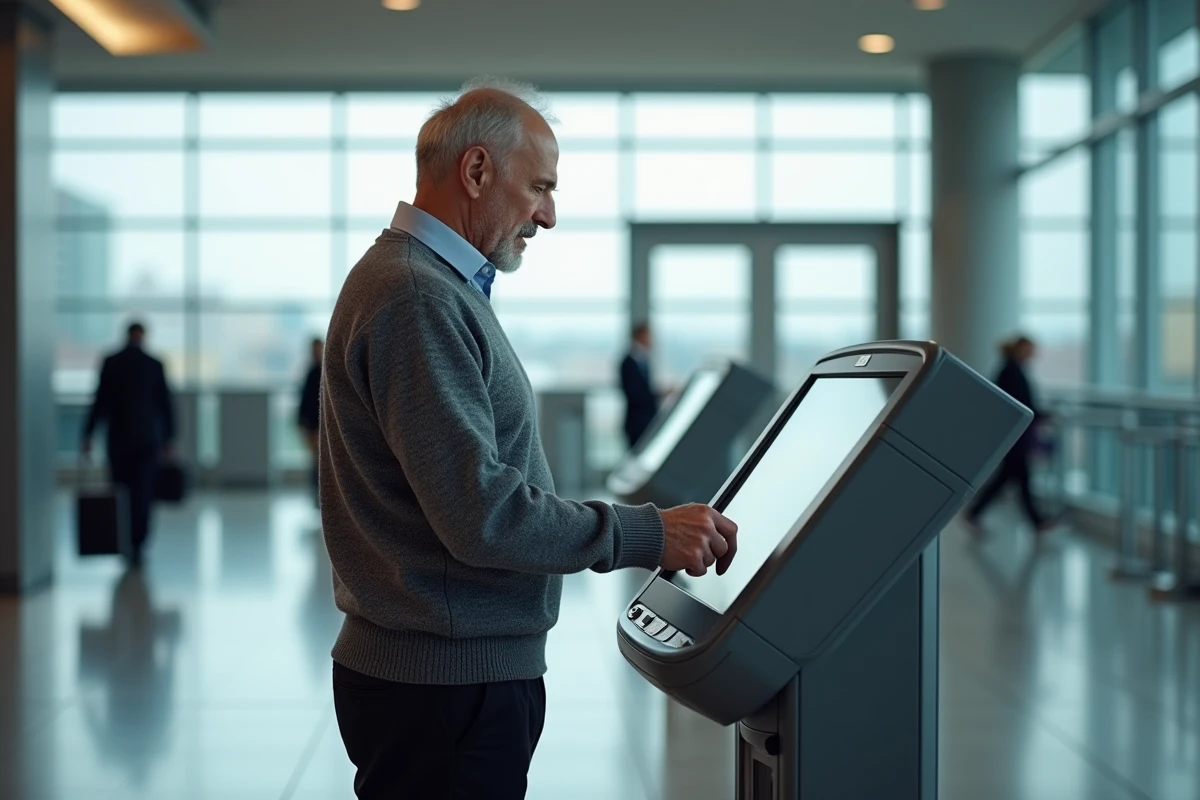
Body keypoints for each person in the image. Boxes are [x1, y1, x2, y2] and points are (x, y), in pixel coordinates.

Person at [320, 78, 739, 800]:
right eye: (539, 187)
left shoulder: (427, 285)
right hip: (445, 687)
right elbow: (481, 516)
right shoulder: (418, 295)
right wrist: (647, 535)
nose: (547, 215)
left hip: (445, 676)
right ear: (477, 171)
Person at [81, 322, 176, 567]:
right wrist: (169, 438)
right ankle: (139, 544)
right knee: (143, 492)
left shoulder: (112, 362)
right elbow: (165, 404)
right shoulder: (154, 364)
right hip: (147, 438)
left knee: (121, 490)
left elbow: (99, 401)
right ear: (143, 336)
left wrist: (88, 434)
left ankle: (123, 541)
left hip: (119, 438)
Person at [965, 335, 1054, 535]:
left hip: (1014, 433)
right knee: (1019, 478)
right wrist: (1040, 415)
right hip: (1015, 434)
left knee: (1009, 478)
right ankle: (1037, 522)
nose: (1033, 354)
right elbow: (1017, 403)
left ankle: (975, 513)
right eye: (1031, 349)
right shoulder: (1011, 371)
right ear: (1021, 349)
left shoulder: (1011, 369)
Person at [620, 321, 660, 448]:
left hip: (646, 420)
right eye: (648, 336)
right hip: (637, 422)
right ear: (641, 336)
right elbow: (635, 394)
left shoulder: (643, 360)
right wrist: (659, 393)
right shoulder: (629, 363)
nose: (651, 340)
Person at [297, 337, 323, 503]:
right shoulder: (313, 373)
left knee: (319, 461)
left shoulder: (320, 372)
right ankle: (316, 493)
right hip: (313, 424)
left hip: (320, 425)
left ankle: (319, 493)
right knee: (316, 460)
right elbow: (305, 400)